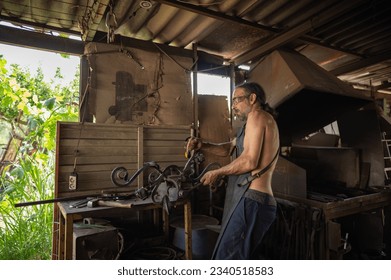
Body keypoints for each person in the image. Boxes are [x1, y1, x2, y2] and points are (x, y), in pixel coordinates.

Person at [187, 82, 280, 260]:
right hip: (252, 201)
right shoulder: (252, 124)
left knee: (228, 259)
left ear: (252, 98)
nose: (233, 106)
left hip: (254, 200)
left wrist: (217, 172)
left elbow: (249, 160)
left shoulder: (257, 116)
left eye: (237, 100)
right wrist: (203, 145)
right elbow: (229, 149)